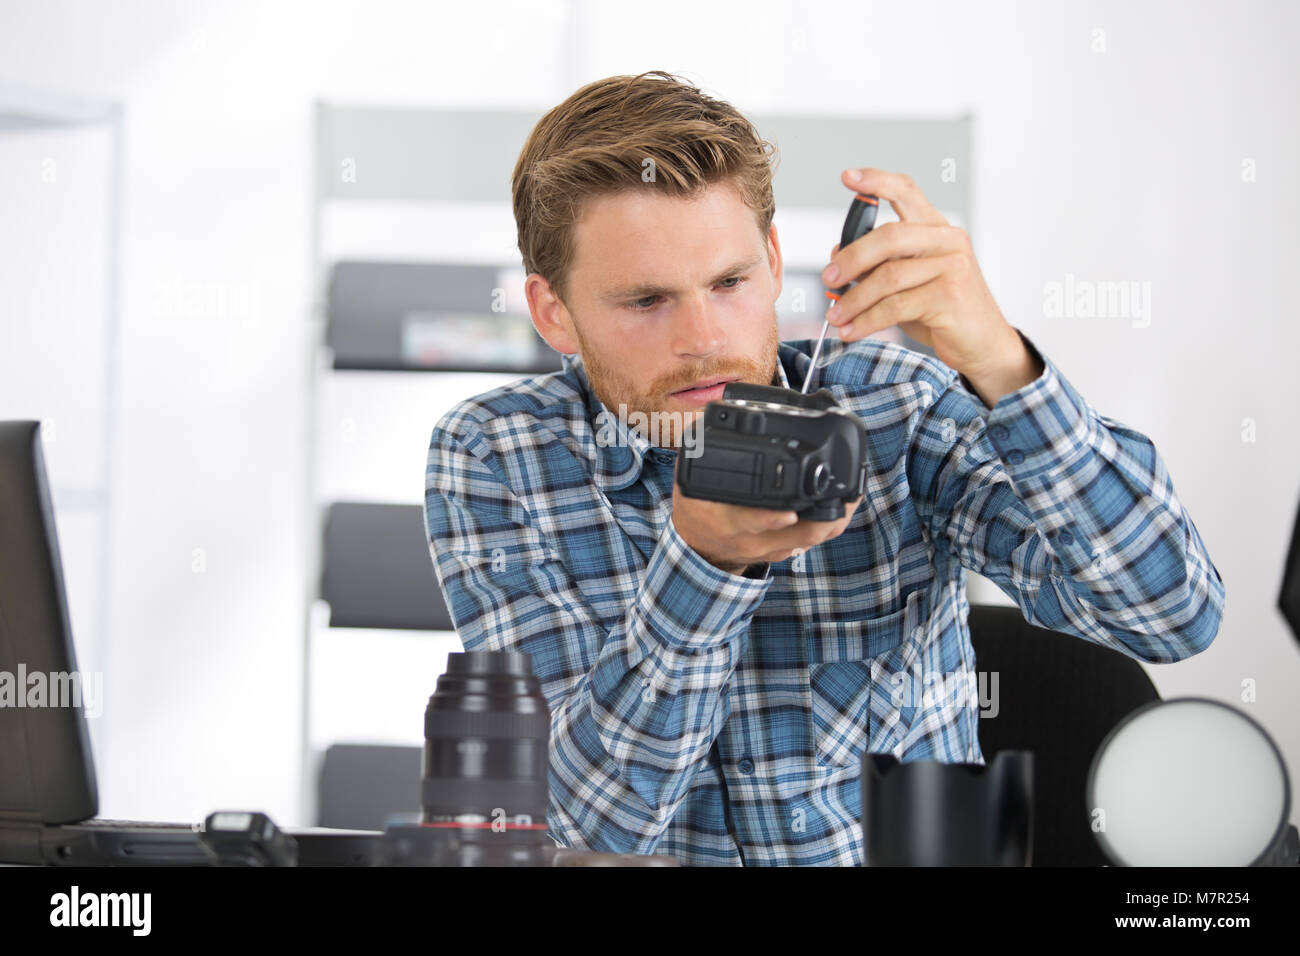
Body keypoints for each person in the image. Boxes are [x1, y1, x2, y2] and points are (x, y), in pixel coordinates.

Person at [422, 70, 1225, 866]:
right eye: (646, 301)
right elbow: (585, 826)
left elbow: (1169, 615)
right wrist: (704, 566)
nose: (703, 336)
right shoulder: (497, 455)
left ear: (774, 261)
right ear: (552, 310)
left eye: (730, 282)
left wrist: (1001, 363)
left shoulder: (894, 405)